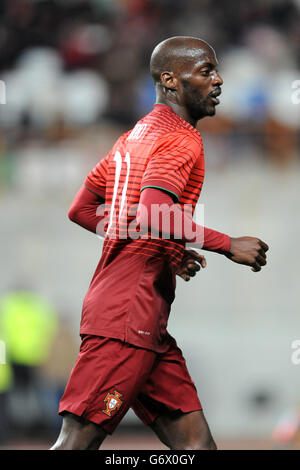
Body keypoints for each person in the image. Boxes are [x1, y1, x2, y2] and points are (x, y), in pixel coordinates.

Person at [51, 36, 269, 450]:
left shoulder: (133, 138)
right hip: (125, 318)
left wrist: (166, 247)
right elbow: (152, 214)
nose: (219, 80)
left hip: (142, 320)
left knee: (196, 447)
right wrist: (227, 244)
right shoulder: (181, 139)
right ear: (170, 80)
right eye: (206, 71)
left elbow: (81, 210)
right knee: (76, 443)